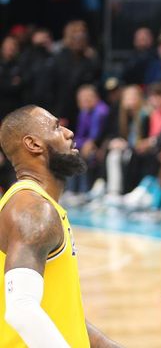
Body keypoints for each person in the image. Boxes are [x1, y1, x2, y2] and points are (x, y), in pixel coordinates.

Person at [0, 105, 121, 347]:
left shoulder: (38, 205)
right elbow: (21, 310)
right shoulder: (33, 210)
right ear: (33, 144)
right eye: (56, 127)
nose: (68, 133)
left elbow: (60, 314)